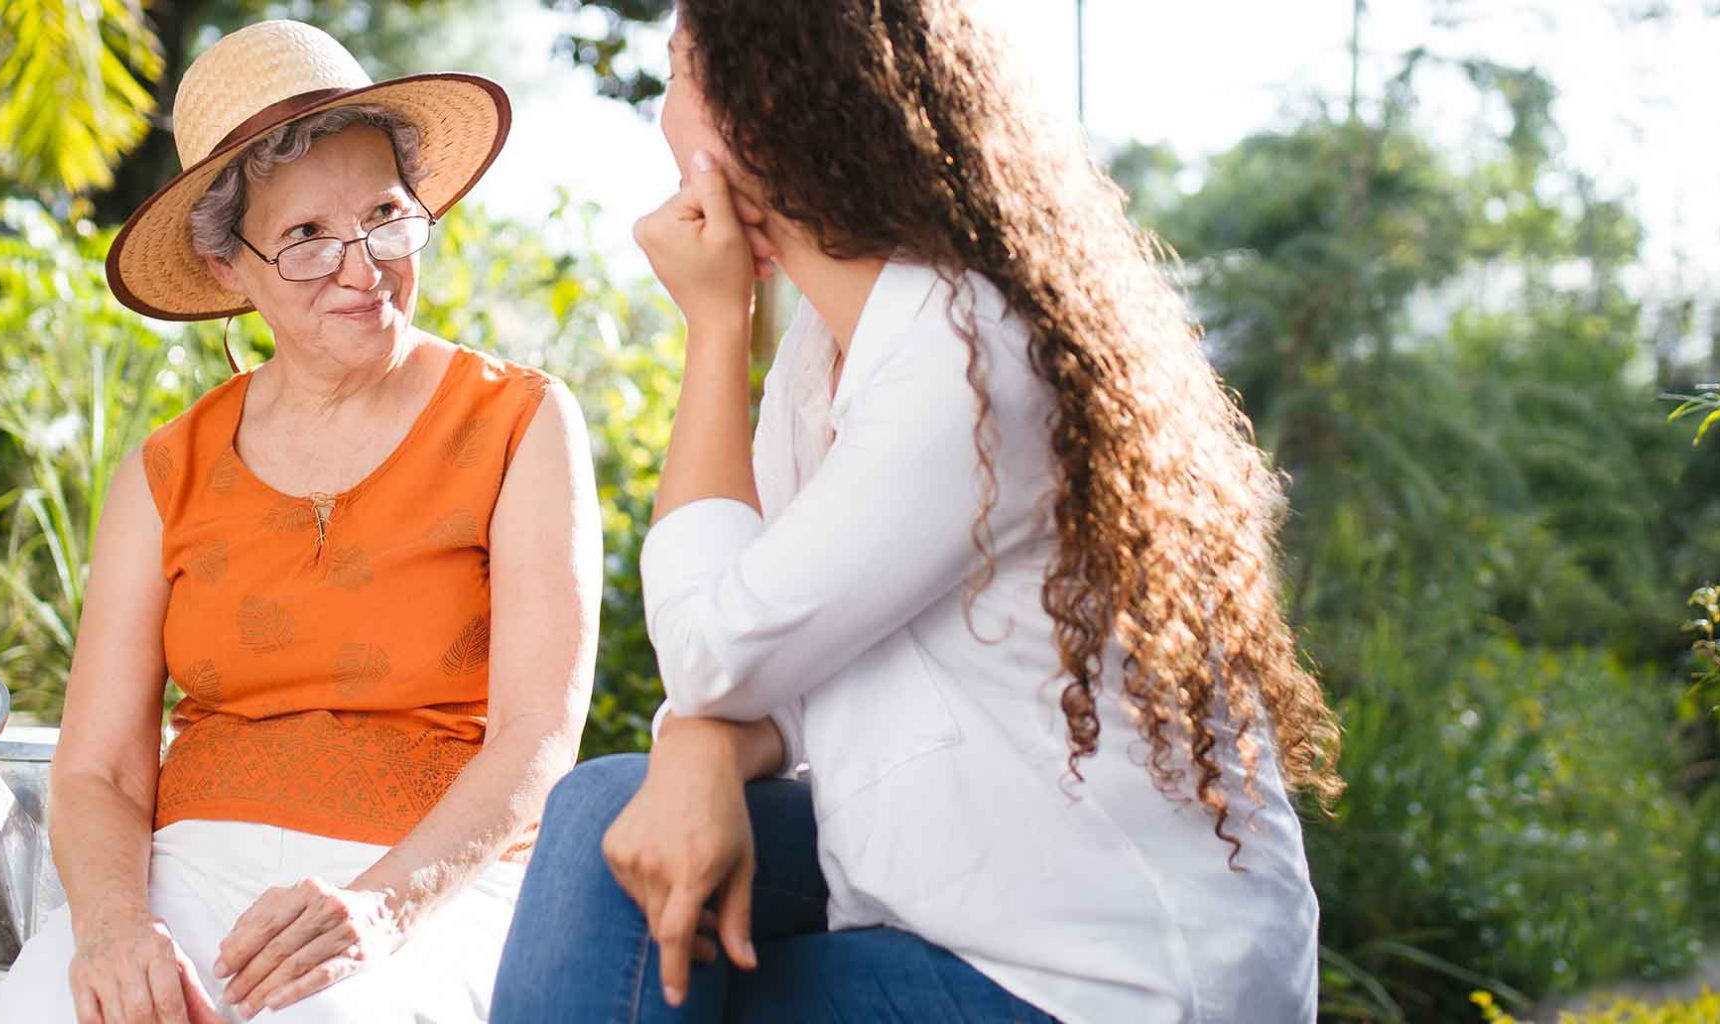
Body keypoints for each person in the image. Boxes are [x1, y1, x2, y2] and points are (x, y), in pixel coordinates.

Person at [489, 1, 1343, 1021]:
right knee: (609, 816)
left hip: (1104, 982)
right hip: (964, 906)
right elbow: (769, 671)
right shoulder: (822, 359)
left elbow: (717, 651)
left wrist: (715, 333)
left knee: (631, 918)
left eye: (678, 74)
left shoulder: (968, 356)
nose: (662, 119)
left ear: (759, 106)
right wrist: (700, 744)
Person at [0, 20, 600, 1024]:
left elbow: (538, 739)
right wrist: (109, 928)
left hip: (435, 886)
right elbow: (95, 766)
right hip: (185, 882)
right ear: (231, 265)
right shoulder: (165, 470)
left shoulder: (519, 421)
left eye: (386, 216)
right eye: (308, 237)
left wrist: (383, 905)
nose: (363, 269)